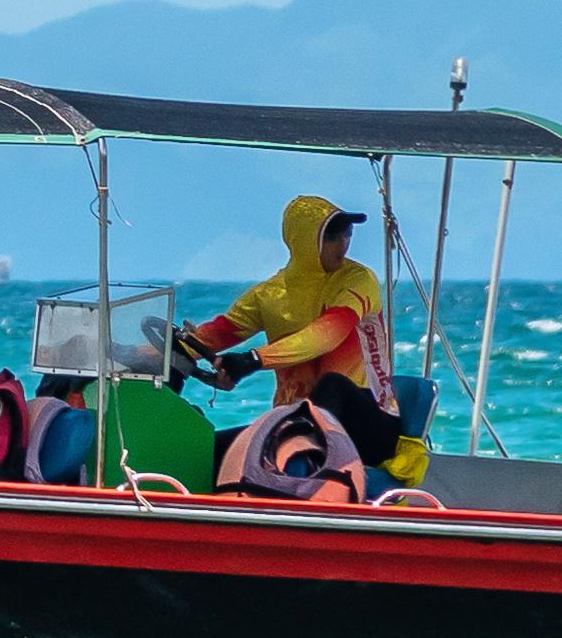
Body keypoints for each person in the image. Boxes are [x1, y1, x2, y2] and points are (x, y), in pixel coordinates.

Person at [177, 194, 421, 499]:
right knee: (207, 449)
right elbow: (215, 335)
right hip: (292, 424)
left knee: (333, 385)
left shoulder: (359, 280)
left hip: (370, 425)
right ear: (303, 241)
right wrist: (161, 352)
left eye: (347, 233)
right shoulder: (270, 294)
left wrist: (253, 360)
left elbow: (325, 335)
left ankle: (295, 465)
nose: (343, 242)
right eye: (332, 235)